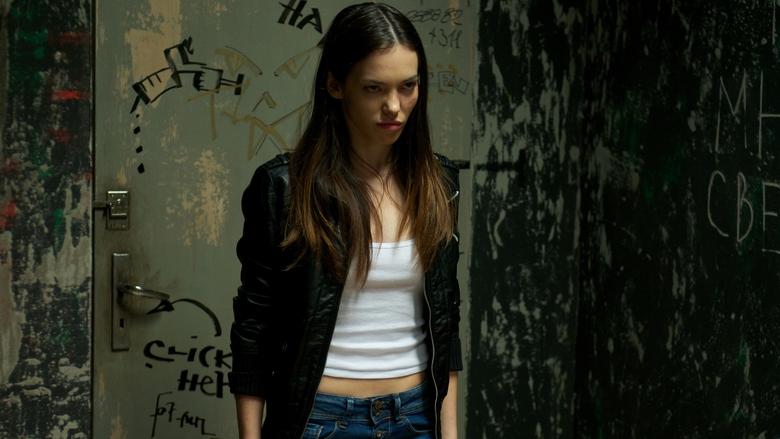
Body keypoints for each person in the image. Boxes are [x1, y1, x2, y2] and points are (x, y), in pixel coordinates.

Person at [228, 3, 462, 438]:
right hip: (320, 419)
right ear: (335, 85)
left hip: (416, 417)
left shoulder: (438, 181)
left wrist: (448, 434)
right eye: (374, 88)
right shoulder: (285, 187)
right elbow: (253, 328)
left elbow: (447, 320)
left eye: (408, 87)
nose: (394, 106)